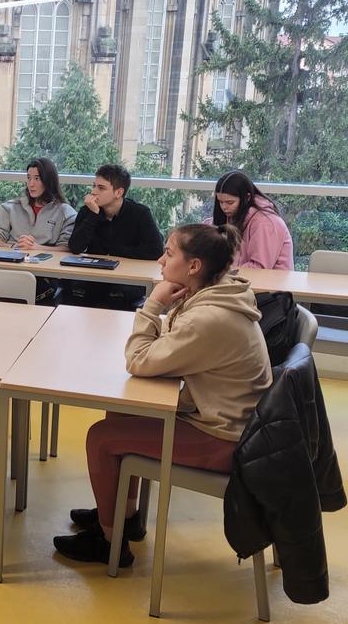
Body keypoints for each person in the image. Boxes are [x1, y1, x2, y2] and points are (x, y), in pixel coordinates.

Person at [52, 224, 272, 567]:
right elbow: (166, 348)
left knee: (101, 438)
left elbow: (140, 360)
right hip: (227, 419)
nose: (160, 259)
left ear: (194, 266)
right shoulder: (217, 294)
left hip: (224, 437)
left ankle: (111, 545)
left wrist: (153, 304)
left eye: (169, 253)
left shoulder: (209, 317)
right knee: (121, 413)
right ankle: (125, 519)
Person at [65, 164, 164, 310]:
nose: (93, 192)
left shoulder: (140, 213)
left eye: (101, 188)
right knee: (72, 291)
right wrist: (93, 215)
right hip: (93, 278)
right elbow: (75, 247)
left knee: (118, 295)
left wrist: (114, 252)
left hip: (127, 280)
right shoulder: (88, 211)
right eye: (94, 186)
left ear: (118, 192)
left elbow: (155, 250)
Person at [206, 170, 294, 270]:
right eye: (220, 202)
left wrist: (221, 274)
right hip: (239, 280)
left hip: (269, 283)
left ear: (247, 198)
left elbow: (259, 268)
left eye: (230, 202)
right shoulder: (229, 217)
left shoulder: (265, 222)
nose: (224, 207)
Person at [0, 156, 77, 251]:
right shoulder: (9, 208)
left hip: (46, 263)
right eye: (29, 178)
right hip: (12, 261)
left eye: (37, 178)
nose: (31, 184)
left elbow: (66, 248)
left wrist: (36, 248)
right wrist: (14, 247)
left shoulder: (66, 213)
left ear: (48, 181)